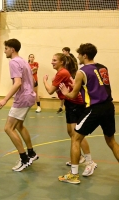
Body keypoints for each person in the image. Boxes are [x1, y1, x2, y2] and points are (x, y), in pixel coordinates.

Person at [58, 43, 119, 184]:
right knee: (111, 141)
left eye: (79, 54)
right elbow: (96, 85)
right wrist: (80, 86)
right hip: (109, 107)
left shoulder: (82, 71)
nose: (78, 56)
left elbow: (73, 95)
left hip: (95, 108)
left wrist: (66, 92)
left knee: (75, 138)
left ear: (84, 55)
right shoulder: (103, 67)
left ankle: (73, 175)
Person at [43, 53, 96, 176]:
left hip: (75, 105)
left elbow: (50, 90)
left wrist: (44, 81)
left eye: (54, 60)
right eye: (52, 59)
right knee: (71, 133)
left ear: (62, 62)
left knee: (76, 135)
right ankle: (81, 157)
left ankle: (89, 161)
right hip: (70, 104)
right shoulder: (61, 73)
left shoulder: (62, 73)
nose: (52, 62)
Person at [0, 39, 38, 172]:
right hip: (30, 96)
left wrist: (5, 100)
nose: (4, 51)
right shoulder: (24, 60)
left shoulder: (13, 62)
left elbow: (17, 83)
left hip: (23, 98)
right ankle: (31, 153)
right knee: (18, 125)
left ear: (12, 49)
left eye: (6, 48)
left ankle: (24, 159)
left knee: (8, 128)